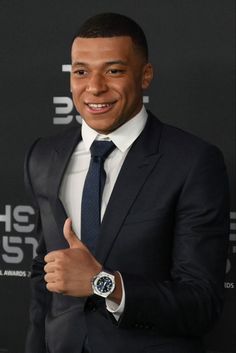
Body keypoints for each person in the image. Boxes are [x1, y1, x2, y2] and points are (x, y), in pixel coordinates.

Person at [24, 13, 229, 353]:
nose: (94, 87)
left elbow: (201, 303)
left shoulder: (192, 161)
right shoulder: (44, 155)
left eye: (114, 70)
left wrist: (101, 283)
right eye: (81, 72)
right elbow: (43, 276)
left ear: (145, 75)